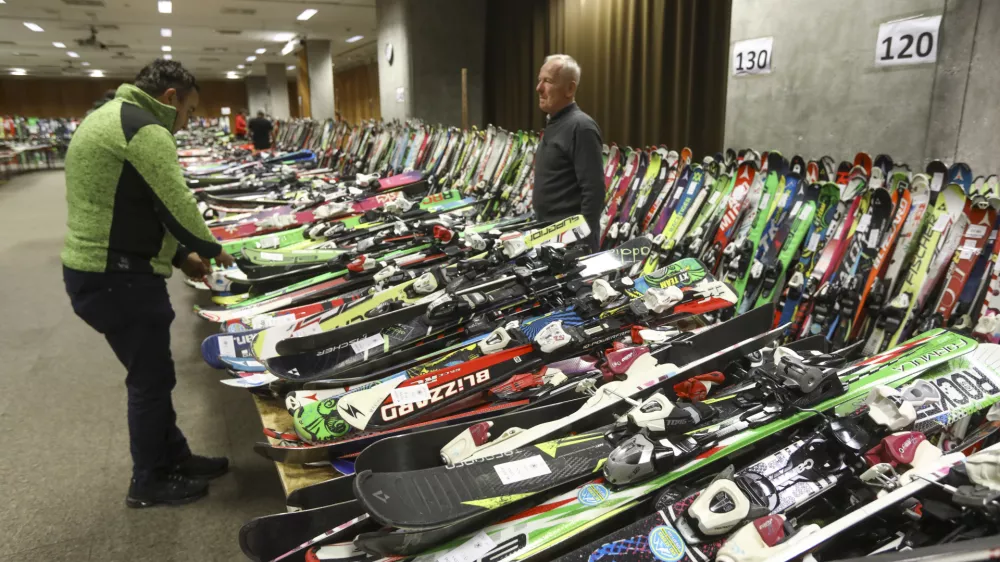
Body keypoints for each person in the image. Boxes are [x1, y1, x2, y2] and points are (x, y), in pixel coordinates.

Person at [61, 58, 236, 508]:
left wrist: (181, 256)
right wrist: (213, 249)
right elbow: (175, 199)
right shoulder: (146, 129)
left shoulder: (106, 116)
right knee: (150, 380)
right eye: (191, 112)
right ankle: (149, 480)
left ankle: (173, 456)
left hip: (97, 270)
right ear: (171, 99)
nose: (188, 121)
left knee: (153, 374)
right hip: (117, 276)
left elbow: (130, 203)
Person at [533, 53, 605, 250]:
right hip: (547, 236)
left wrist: (581, 244)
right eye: (539, 80)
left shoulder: (581, 127)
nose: (539, 88)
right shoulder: (555, 123)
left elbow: (594, 192)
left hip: (569, 244)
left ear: (570, 88)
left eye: (547, 81)